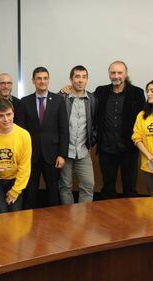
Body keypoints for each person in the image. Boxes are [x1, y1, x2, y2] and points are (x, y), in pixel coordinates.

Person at [17, 67, 68, 209]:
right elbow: (21, 132)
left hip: (52, 154)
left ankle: (55, 222)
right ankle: (28, 224)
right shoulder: (24, 102)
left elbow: (63, 129)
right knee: (30, 191)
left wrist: (62, 154)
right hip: (30, 155)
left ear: (48, 80)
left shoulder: (58, 101)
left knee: (53, 191)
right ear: (33, 80)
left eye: (45, 78)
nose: (42, 81)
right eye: (39, 78)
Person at [95, 61, 145, 199]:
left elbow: (144, 118)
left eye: (119, 72)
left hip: (129, 149)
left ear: (126, 74)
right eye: (113, 72)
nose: (116, 76)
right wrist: (66, 89)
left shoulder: (137, 93)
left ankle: (130, 220)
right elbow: (85, 100)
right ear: (109, 74)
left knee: (130, 189)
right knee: (107, 189)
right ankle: (108, 219)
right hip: (106, 149)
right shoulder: (101, 91)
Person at [58, 65, 97, 204]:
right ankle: (68, 220)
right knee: (65, 186)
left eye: (84, 77)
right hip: (65, 151)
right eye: (77, 76)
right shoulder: (62, 97)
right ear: (71, 79)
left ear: (87, 80)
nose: (80, 80)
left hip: (83, 150)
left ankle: (83, 219)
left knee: (88, 185)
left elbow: (95, 123)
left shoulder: (92, 99)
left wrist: (92, 141)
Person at [132, 80, 153, 196]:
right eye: (148, 91)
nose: (149, 94)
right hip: (148, 165)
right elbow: (137, 138)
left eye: (152, 91)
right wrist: (149, 156)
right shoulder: (142, 115)